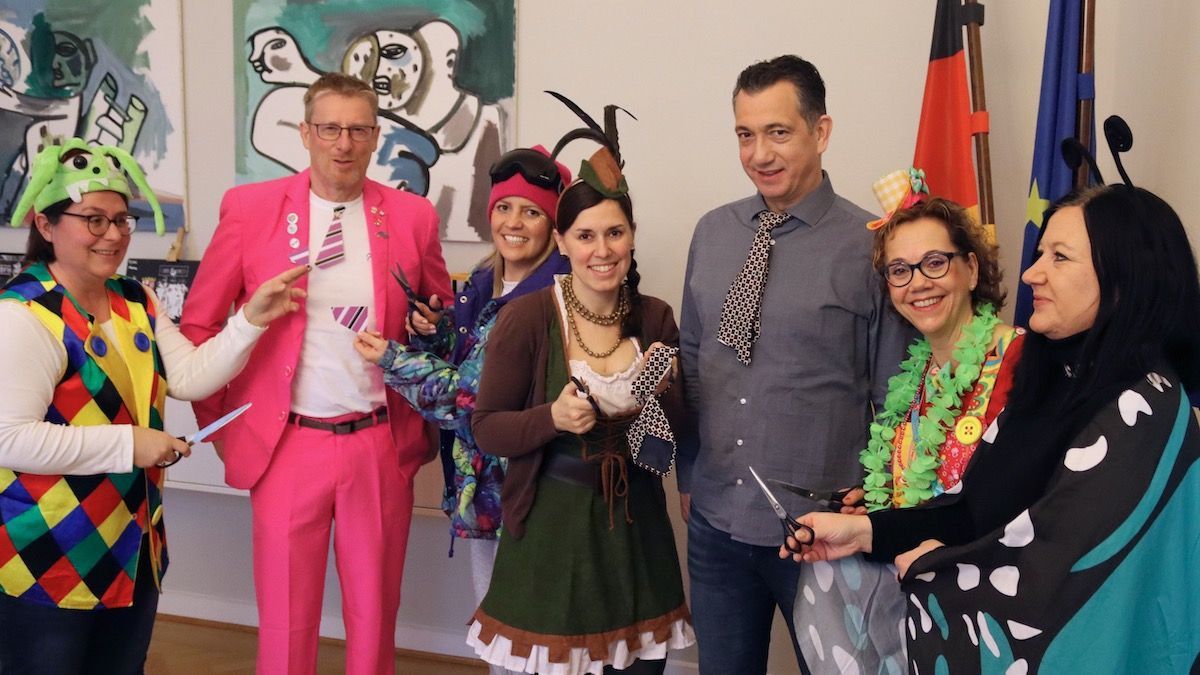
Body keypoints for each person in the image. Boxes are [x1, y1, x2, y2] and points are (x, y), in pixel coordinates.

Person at [784, 184, 1200, 673]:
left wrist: (939, 566)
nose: (1031, 273)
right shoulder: (1052, 377)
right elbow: (972, 508)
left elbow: (1059, 568)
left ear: (1123, 278)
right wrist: (862, 531)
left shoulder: (1143, 403)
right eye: (899, 270)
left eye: (1059, 257)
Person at [0, 139, 306, 674]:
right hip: (47, 555)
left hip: (132, 546)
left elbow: (187, 376)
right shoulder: (22, 316)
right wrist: (130, 444)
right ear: (45, 225)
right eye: (94, 220)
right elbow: (9, 438)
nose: (114, 234)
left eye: (123, 219)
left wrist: (251, 320)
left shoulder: (134, 298)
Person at [180, 73, 452, 675]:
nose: (343, 143)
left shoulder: (412, 216)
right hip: (285, 442)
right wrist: (222, 425)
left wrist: (433, 325)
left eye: (358, 130)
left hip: (378, 442)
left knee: (374, 617)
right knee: (285, 621)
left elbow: (441, 319)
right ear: (305, 133)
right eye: (330, 128)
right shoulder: (250, 209)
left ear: (375, 137)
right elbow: (198, 327)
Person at [677, 54, 912, 672]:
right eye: (745, 134)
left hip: (824, 533)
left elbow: (895, 397)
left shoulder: (872, 244)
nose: (760, 154)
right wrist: (688, 475)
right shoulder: (712, 232)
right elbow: (694, 363)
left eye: (778, 132)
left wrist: (876, 507)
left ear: (820, 131)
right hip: (717, 524)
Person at [465, 124, 695, 674]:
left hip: (637, 532)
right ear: (562, 241)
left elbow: (676, 438)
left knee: (640, 668)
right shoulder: (528, 318)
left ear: (632, 236)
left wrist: (664, 393)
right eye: (585, 235)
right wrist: (552, 417)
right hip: (552, 533)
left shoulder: (655, 317)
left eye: (615, 233)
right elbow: (487, 428)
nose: (602, 250)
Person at [352, 145, 571, 674]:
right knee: (501, 640)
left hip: (529, 496)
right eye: (504, 207)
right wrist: (438, 333)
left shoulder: (551, 297)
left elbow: (472, 401)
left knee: (531, 646)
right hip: (485, 494)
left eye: (532, 212)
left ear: (553, 224)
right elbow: (476, 358)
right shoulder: (483, 281)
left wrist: (393, 359)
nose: (513, 222)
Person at [794, 188, 1025, 673]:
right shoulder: (917, 375)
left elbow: (1022, 502)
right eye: (899, 270)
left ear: (971, 269)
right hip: (924, 604)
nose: (917, 283)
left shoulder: (1020, 361)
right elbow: (932, 483)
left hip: (997, 615)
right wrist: (879, 502)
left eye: (934, 262)